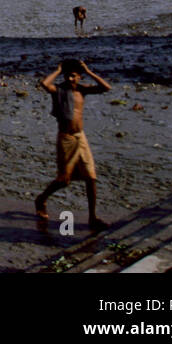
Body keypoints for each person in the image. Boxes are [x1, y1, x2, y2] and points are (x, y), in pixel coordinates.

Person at [34, 59, 111, 232]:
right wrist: (57, 69)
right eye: (68, 75)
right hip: (66, 139)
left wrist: (89, 71)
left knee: (91, 178)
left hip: (80, 138)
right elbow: (44, 84)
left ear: (79, 77)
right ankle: (41, 199)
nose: (70, 79)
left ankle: (92, 217)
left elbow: (106, 87)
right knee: (64, 180)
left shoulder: (82, 91)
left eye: (74, 76)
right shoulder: (59, 90)